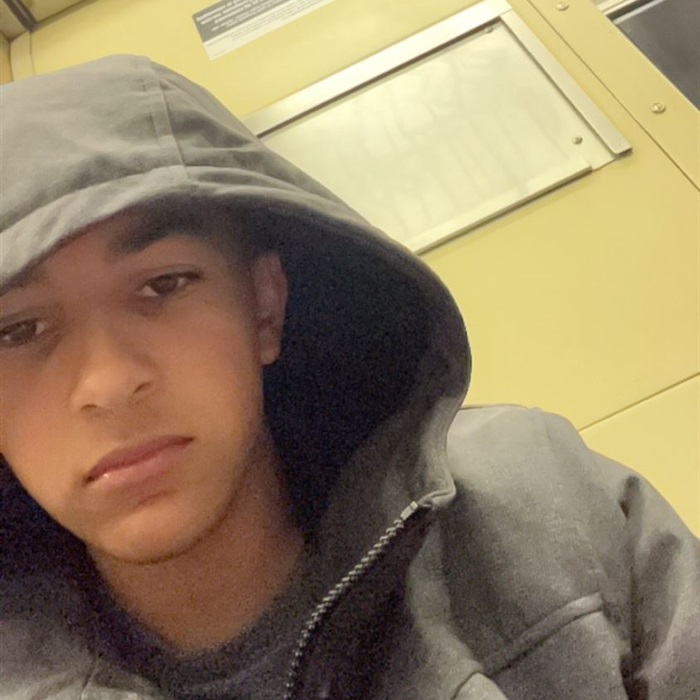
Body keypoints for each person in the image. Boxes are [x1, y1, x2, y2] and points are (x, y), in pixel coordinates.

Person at [0, 55, 697, 700]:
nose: (109, 382)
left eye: (164, 284)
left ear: (263, 307)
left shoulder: (546, 502)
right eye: (18, 330)